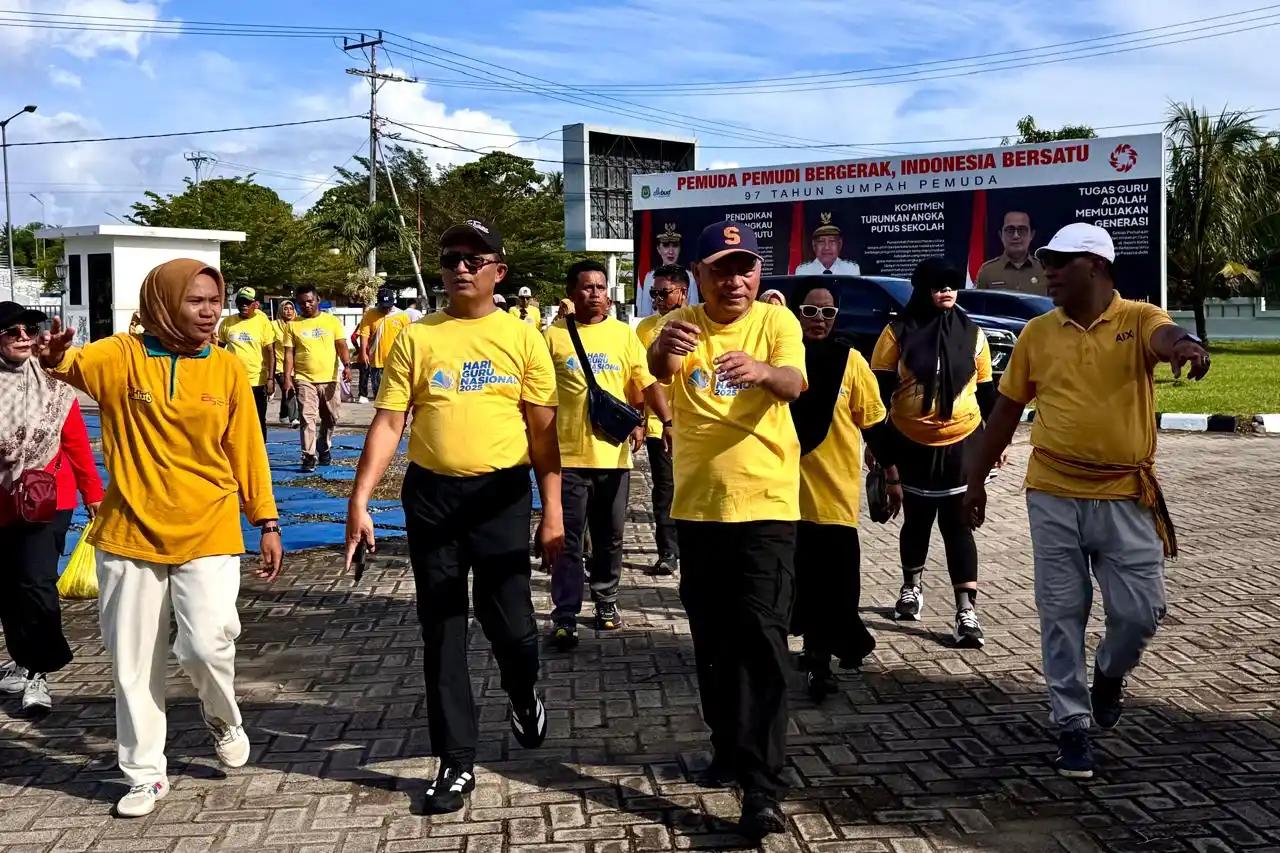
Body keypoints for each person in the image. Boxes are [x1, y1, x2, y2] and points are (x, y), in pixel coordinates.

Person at [36, 258, 283, 818]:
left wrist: (266, 521)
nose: (209, 312)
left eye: (214, 301)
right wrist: (55, 358)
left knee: (207, 642)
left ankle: (223, 717)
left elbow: (247, 449)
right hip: (128, 532)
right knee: (132, 661)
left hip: (211, 524)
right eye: (196, 301)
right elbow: (71, 363)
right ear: (165, 303)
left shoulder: (224, 369)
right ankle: (145, 774)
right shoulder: (123, 356)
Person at [963, 223, 1210, 779]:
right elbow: (1004, 413)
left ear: (1095, 266)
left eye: (1060, 261)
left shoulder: (1138, 317)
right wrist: (974, 481)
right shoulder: (1038, 333)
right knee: (1061, 612)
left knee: (1141, 613)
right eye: (1046, 259)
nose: (1047, 269)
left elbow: (1164, 337)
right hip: (1052, 494)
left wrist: (1187, 346)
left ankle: (1108, 674)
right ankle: (1072, 724)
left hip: (1127, 494)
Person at [345, 218, 564, 815]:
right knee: (442, 628)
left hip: (501, 497)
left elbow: (544, 436)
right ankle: (456, 761)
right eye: (450, 258)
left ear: (499, 270)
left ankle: (524, 694)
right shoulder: (416, 338)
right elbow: (390, 422)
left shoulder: (523, 339)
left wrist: (553, 514)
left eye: (473, 257)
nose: (460, 267)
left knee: (511, 627)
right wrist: (360, 498)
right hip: (431, 497)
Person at [648, 220, 805, 839]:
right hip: (699, 508)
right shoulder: (679, 323)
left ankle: (762, 786)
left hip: (767, 505)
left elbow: (795, 382)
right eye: (721, 268)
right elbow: (658, 371)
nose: (735, 280)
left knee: (763, 640)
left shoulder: (776, 323)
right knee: (713, 642)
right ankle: (726, 747)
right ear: (699, 274)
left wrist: (764, 372)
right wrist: (665, 350)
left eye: (745, 267)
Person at [870, 257, 996, 648]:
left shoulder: (973, 334)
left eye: (952, 284)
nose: (946, 290)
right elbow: (877, 395)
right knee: (918, 520)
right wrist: (879, 450)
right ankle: (911, 588)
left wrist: (994, 445)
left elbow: (989, 394)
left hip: (962, 444)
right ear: (922, 288)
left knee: (959, 525)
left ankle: (965, 612)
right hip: (910, 445)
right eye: (938, 284)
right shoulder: (895, 333)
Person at [544, 260, 670, 650]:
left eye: (601, 286)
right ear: (571, 291)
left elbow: (643, 384)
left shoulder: (623, 335)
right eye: (586, 287)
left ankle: (606, 602)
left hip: (613, 458)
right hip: (566, 457)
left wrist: (660, 420)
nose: (595, 293)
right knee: (567, 541)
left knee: (610, 537)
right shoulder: (551, 337)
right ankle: (565, 614)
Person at [788, 284, 901, 701]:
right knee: (795, 585)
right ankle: (831, 648)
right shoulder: (778, 359)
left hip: (832, 495)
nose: (819, 320)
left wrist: (891, 474)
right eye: (810, 311)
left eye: (828, 313)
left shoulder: (850, 361)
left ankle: (821, 659)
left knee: (832, 586)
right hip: (778, 495)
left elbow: (874, 424)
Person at [0, 302, 104, 714]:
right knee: (8, 587)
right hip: (2, 502)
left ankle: (39, 671)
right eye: (13, 331)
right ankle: (23, 660)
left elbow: (78, 445)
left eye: (29, 328)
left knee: (37, 583)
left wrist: (93, 495)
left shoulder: (56, 390)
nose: (24, 336)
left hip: (47, 499)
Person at [634, 264, 687, 575]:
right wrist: (640, 420)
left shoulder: (697, 322)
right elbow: (639, 377)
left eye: (663, 293)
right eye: (653, 293)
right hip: (659, 426)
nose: (657, 299)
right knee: (665, 489)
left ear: (681, 291)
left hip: (694, 425)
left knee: (692, 488)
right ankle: (668, 551)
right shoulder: (645, 328)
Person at [282, 284, 350, 472]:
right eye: (302, 303)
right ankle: (309, 455)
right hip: (305, 379)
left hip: (330, 378)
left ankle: (324, 444)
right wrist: (287, 378)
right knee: (307, 417)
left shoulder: (332, 322)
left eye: (310, 301)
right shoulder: (292, 326)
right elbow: (289, 354)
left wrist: (347, 365)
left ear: (317, 300)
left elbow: (341, 345)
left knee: (331, 417)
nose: (307, 305)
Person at [217, 287, 276, 439]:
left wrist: (270, 379)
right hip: (232, 381)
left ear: (255, 304)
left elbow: (270, 351)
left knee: (257, 419)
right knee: (233, 418)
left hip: (256, 380)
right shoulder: (227, 323)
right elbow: (219, 350)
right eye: (240, 302)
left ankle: (260, 453)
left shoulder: (263, 322)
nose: (243, 305)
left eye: (247, 302)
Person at [357, 286, 412, 400]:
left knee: (396, 393)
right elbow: (364, 334)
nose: (386, 309)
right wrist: (363, 353)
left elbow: (408, 337)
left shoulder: (402, 316)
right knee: (379, 395)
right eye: (383, 306)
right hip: (377, 361)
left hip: (397, 361)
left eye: (388, 306)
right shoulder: (370, 314)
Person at [976, 211, 1046, 295]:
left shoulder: (1044, 269)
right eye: (1010, 230)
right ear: (1000, 235)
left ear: (1032, 235)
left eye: (1022, 230)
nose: (1016, 236)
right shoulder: (987, 271)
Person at [637, 223, 700, 316]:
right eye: (666, 245)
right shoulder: (650, 277)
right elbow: (644, 314)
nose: (671, 251)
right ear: (658, 249)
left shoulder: (690, 277)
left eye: (675, 245)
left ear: (680, 248)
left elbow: (694, 312)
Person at [794, 215, 860, 275]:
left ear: (840, 244)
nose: (827, 247)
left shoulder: (851, 270)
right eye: (821, 241)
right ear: (814, 245)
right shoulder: (803, 271)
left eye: (832, 241)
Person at [272, 300, 299, 425]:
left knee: (286, 390)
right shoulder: (273, 326)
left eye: (290, 308)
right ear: (281, 310)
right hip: (279, 365)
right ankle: (294, 418)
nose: (288, 311)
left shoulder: (298, 324)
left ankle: (283, 414)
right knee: (289, 388)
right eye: (285, 308)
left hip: (296, 364)